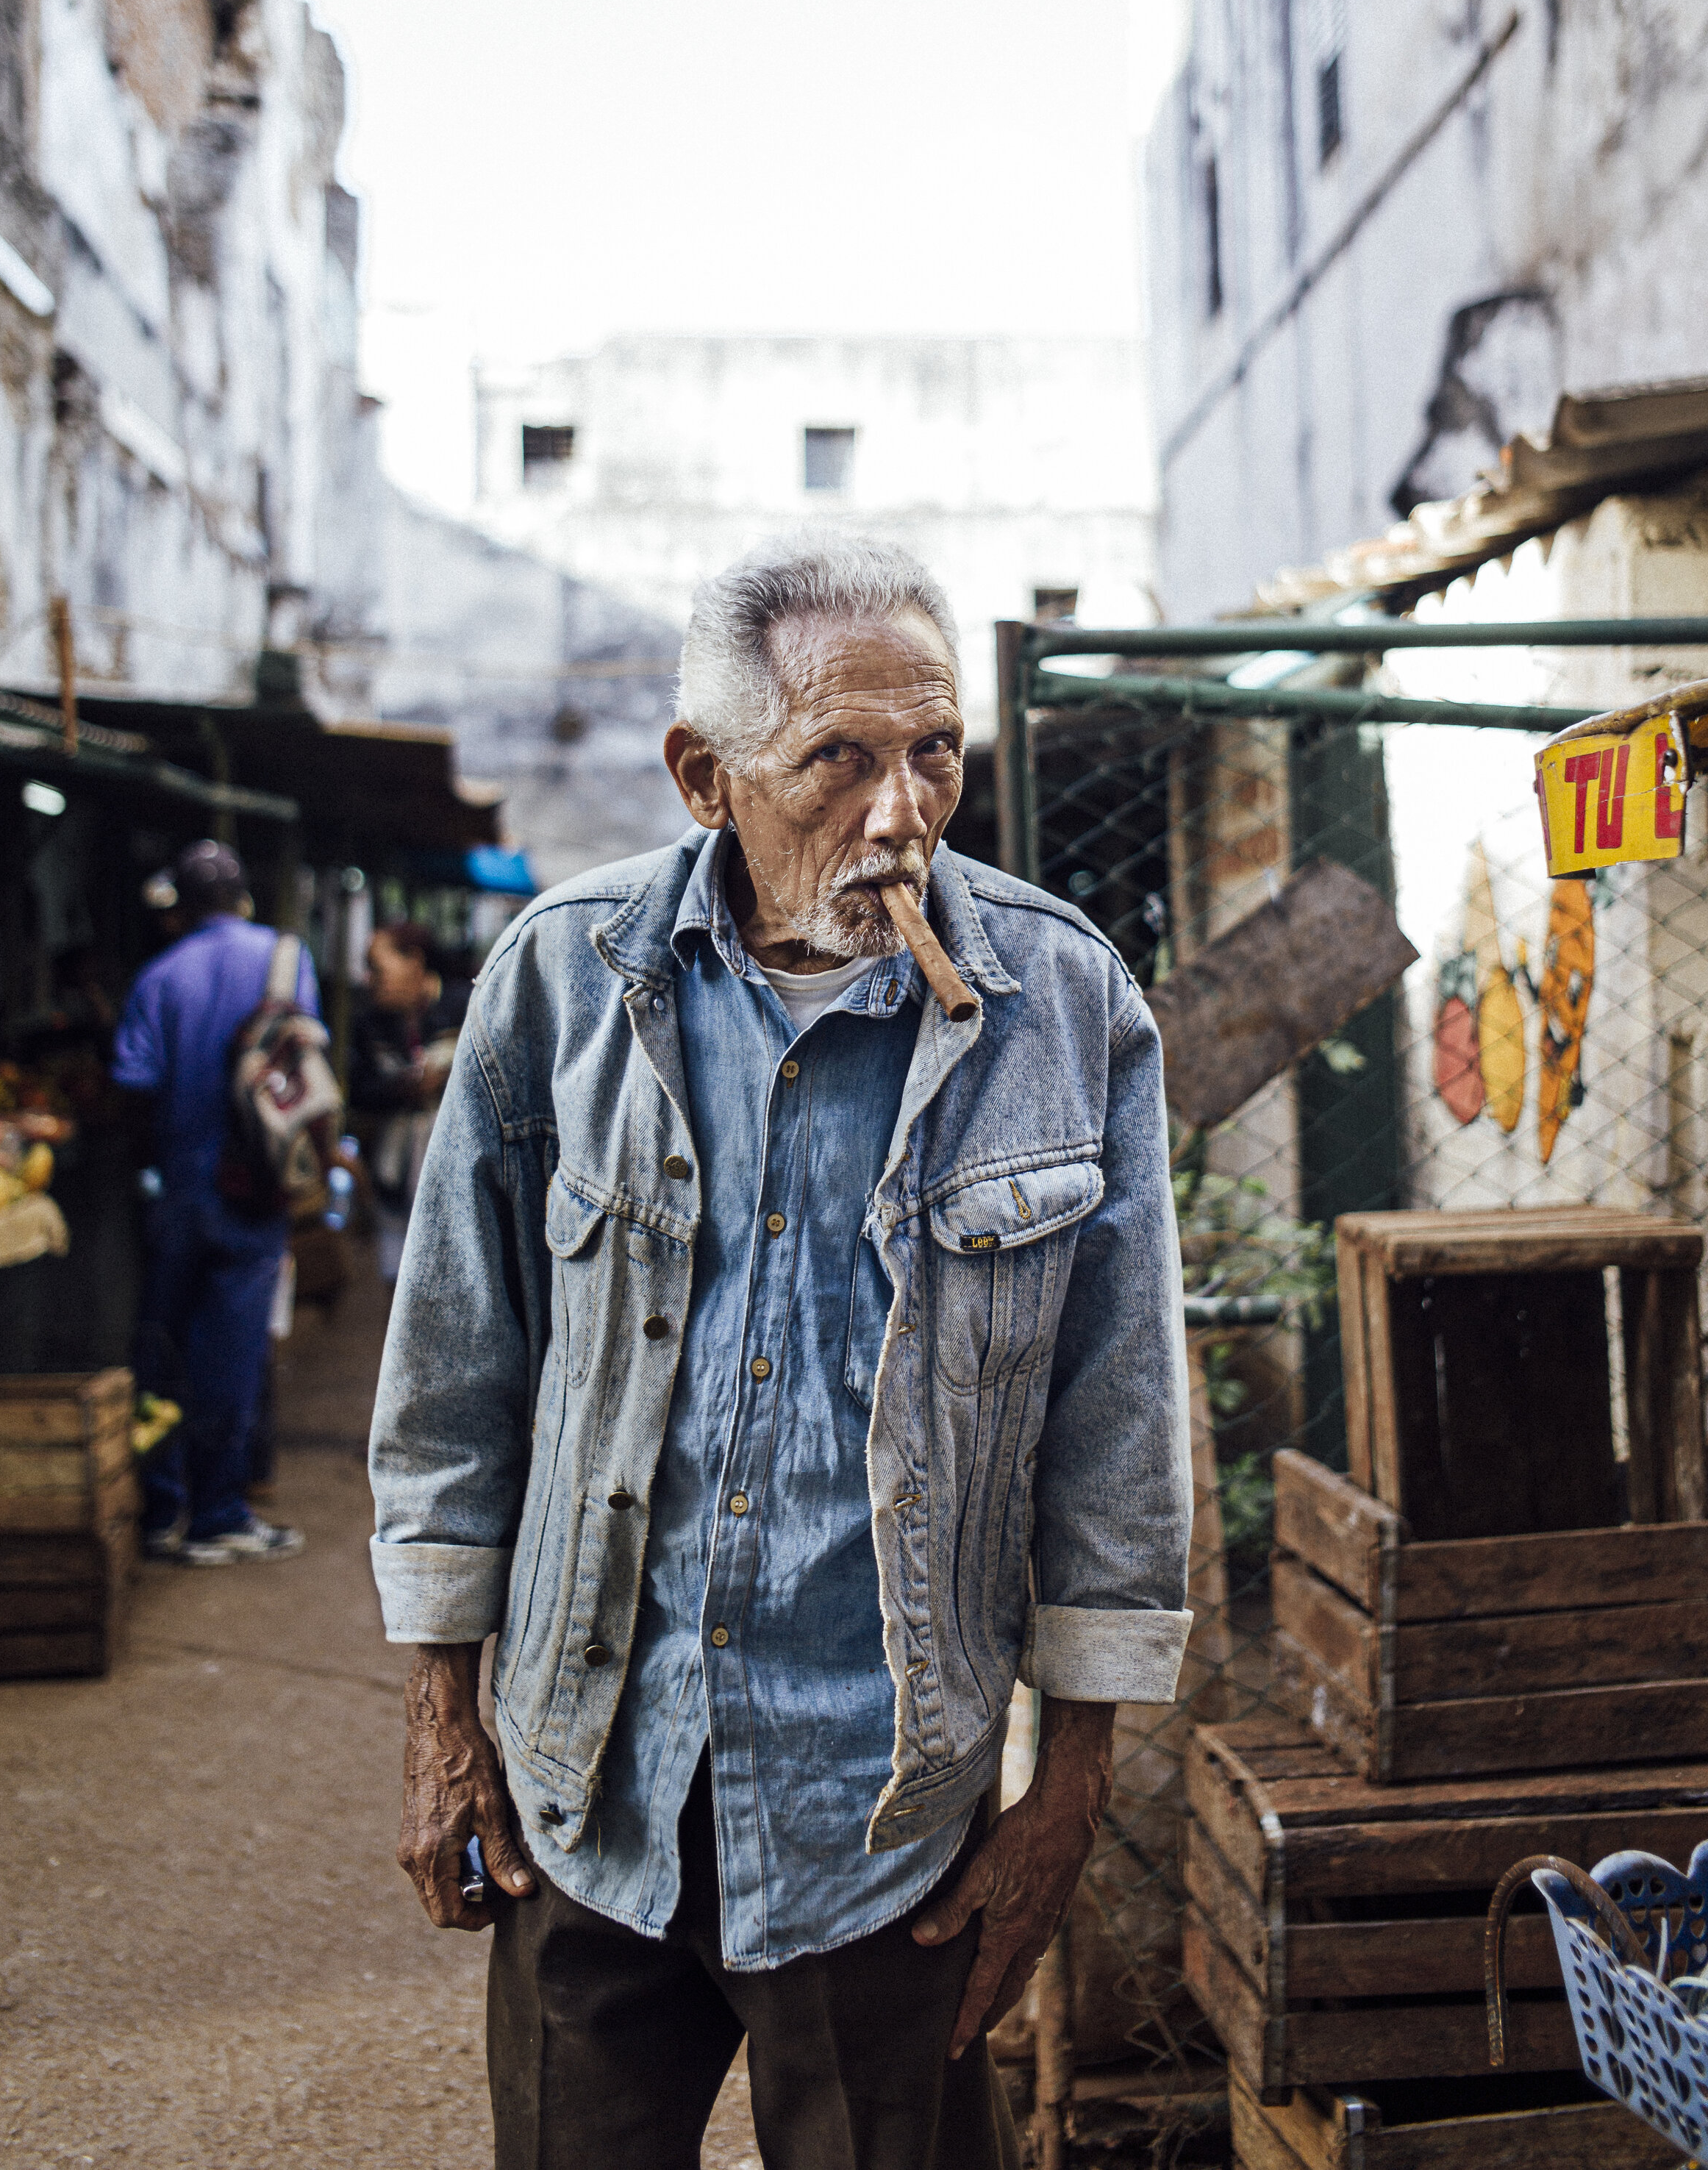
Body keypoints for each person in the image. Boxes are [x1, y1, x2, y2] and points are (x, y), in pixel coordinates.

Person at [369, 539, 1192, 2170]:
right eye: (838, 758)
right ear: (705, 777)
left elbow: (1116, 1421)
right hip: (586, 1790)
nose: (901, 812)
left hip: (882, 1825)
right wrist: (443, 1713)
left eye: (935, 752)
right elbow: (455, 1369)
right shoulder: (561, 982)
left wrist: (1067, 1791)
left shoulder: (1063, 1008)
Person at [112, 839, 312, 1567]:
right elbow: (301, 1069)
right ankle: (220, 1510)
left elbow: (134, 1082)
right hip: (255, 1187)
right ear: (243, 898)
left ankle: (162, 1509)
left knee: (163, 1346)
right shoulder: (286, 960)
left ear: (184, 906)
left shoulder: (158, 974)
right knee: (233, 1350)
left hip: (178, 1186)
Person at [349, 920, 451, 1226]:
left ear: (414, 962)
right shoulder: (368, 1026)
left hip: (449, 1186)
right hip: (389, 1185)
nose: (369, 980)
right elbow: (358, 1094)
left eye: (377, 968)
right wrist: (402, 1089)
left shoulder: (462, 1010)